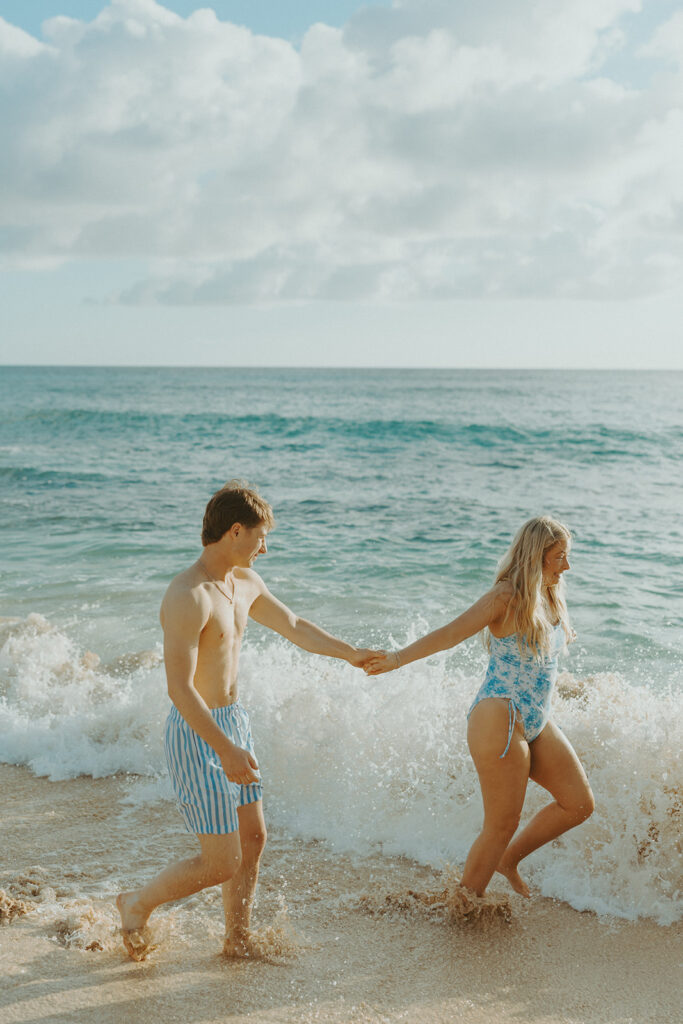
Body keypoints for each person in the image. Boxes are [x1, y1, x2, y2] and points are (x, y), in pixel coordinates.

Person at [116, 480, 376, 960]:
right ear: (236, 531)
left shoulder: (244, 584)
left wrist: (351, 654)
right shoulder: (187, 595)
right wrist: (224, 748)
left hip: (234, 722)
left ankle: (236, 938)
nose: (265, 547)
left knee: (253, 839)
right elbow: (180, 689)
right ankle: (136, 902)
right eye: (260, 536)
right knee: (222, 861)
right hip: (200, 733)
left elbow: (295, 626)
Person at [364, 516, 594, 899]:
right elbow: (451, 633)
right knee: (501, 823)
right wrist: (397, 658)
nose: (566, 566)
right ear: (537, 556)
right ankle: (465, 904)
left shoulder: (551, 595)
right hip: (500, 716)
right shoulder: (505, 597)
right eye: (560, 557)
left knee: (579, 804)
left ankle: (508, 861)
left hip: (536, 717)